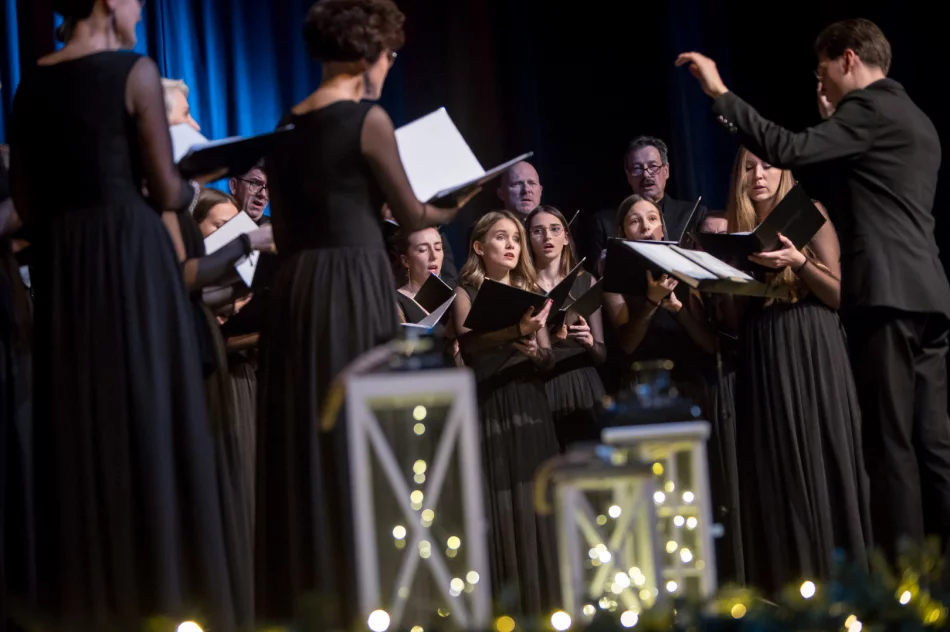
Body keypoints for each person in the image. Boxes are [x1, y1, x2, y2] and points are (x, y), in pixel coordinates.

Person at [677, 18, 950, 562]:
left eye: (823, 74)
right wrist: (835, 125)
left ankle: (906, 588)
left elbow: (789, 148)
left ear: (848, 59)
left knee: (890, 447)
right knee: (934, 445)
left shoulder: (869, 109)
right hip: (928, 295)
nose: (821, 87)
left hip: (886, 294)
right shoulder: (914, 118)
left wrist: (718, 92)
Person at [8, 0, 239, 627]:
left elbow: (27, 202)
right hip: (132, 260)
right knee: (146, 405)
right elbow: (166, 191)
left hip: (67, 265)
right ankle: (165, 589)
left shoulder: (33, 81)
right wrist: (202, 178)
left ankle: (93, 597)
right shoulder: (131, 71)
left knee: (83, 416)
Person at [255, 0, 471, 626]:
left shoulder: (286, 120)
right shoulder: (367, 117)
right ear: (368, 53)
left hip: (298, 289)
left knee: (307, 429)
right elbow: (411, 217)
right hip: (352, 283)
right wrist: (462, 200)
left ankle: (309, 590)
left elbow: (288, 229)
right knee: (366, 432)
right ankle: (369, 591)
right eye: (389, 53)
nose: (389, 64)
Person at [725, 147, 871, 592]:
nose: (758, 175)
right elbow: (731, 322)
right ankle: (798, 584)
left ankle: (846, 578)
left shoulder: (810, 213)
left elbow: (842, 295)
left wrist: (800, 263)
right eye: (748, 168)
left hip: (813, 340)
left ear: (783, 171)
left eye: (766, 165)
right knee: (782, 458)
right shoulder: (739, 233)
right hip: (766, 347)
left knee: (825, 448)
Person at [452, 211, 560, 614]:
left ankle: (547, 605)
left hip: (530, 405)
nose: (512, 245)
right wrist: (516, 332)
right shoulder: (466, 292)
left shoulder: (530, 288)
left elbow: (548, 358)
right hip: (490, 407)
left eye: (516, 237)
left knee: (536, 502)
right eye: (501, 237)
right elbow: (470, 346)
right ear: (480, 247)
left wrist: (536, 350)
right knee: (500, 506)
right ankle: (509, 610)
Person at [525, 205, 606, 449]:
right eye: (537, 231)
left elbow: (603, 354)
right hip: (545, 389)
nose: (547, 237)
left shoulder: (585, 280)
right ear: (528, 239)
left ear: (566, 236)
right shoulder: (524, 287)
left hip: (585, 385)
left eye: (554, 229)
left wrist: (590, 342)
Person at [581, 136, 707, 275]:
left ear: (666, 170)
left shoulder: (694, 214)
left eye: (653, 166)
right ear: (628, 175)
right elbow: (593, 277)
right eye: (637, 168)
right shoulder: (604, 222)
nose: (646, 174)